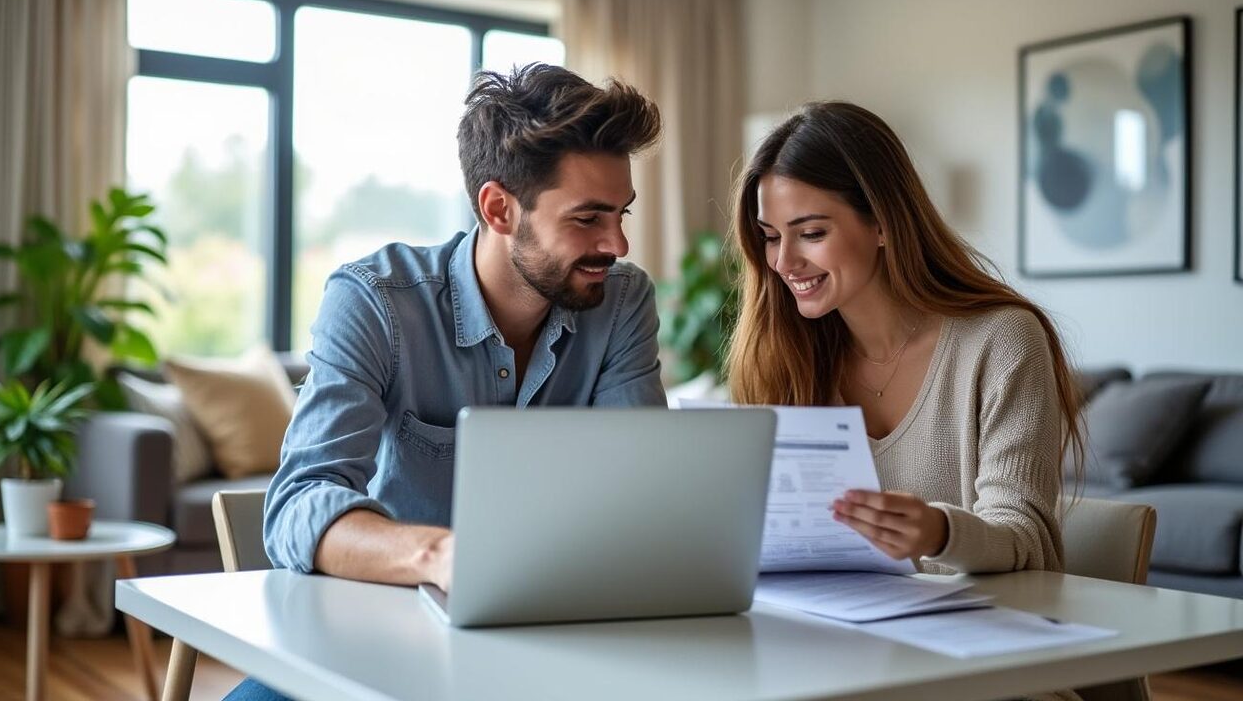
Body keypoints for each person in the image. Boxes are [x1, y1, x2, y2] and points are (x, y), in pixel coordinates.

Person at [226, 64, 664, 700]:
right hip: (376, 636)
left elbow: (643, 487)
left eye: (621, 214)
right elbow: (299, 504)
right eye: (588, 218)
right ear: (498, 208)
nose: (617, 243)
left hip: (562, 641)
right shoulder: (375, 302)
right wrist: (442, 557)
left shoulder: (623, 302)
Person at [725, 101, 1084, 576]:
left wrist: (939, 532)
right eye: (770, 236)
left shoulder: (1002, 341)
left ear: (882, 223)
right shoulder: (784, 355)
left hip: (978, 639)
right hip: (833, 635)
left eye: (810, 232)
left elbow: (1027, 539)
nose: (784, 262)